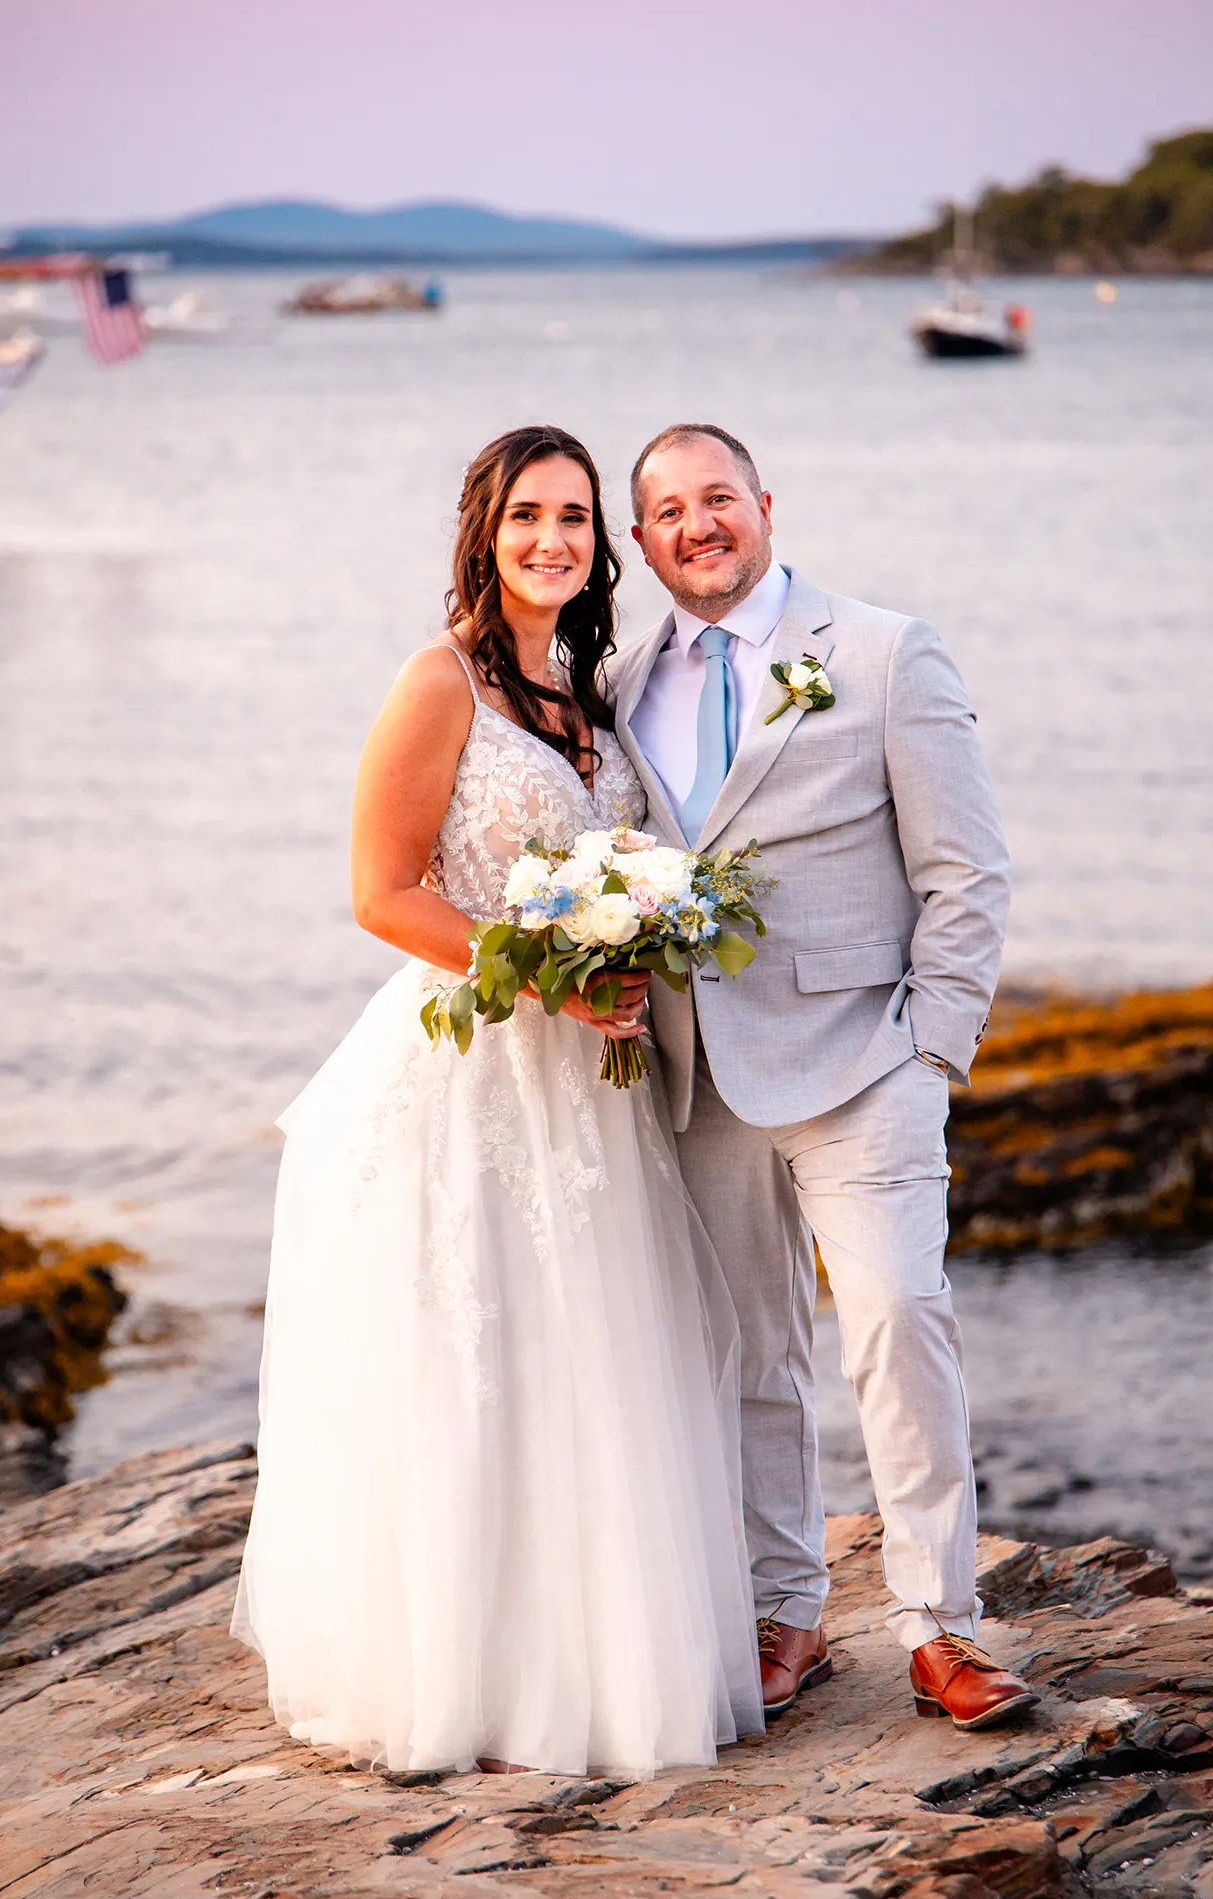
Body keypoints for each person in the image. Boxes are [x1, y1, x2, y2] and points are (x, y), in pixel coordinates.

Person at [231, 425, 764, 1778]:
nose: (554, 541)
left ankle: (593, 1672)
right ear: (484, 529)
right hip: (474, 1071)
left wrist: (634, 951)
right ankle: (471, 1680)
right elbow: (381, 888)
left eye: (578, 519)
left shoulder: (592, 696)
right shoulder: (440, 683)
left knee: (594, 1366)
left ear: (603, 545)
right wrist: (544, 977)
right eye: (529, 515)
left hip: (591, 1088)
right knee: (485, 1367)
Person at [610, 423, 1037, 1732]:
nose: (699, 525)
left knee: (901, 1321)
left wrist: (933, 1053)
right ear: (640, 542)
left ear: (764, 505)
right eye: (670, 511)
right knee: (749, 1356)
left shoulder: (882, 651)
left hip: (866, 1062)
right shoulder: (617, 687)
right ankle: (785, 1616)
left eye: (718, 498)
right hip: (700, 1079)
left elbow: (968, 872)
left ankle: (942, 1628)